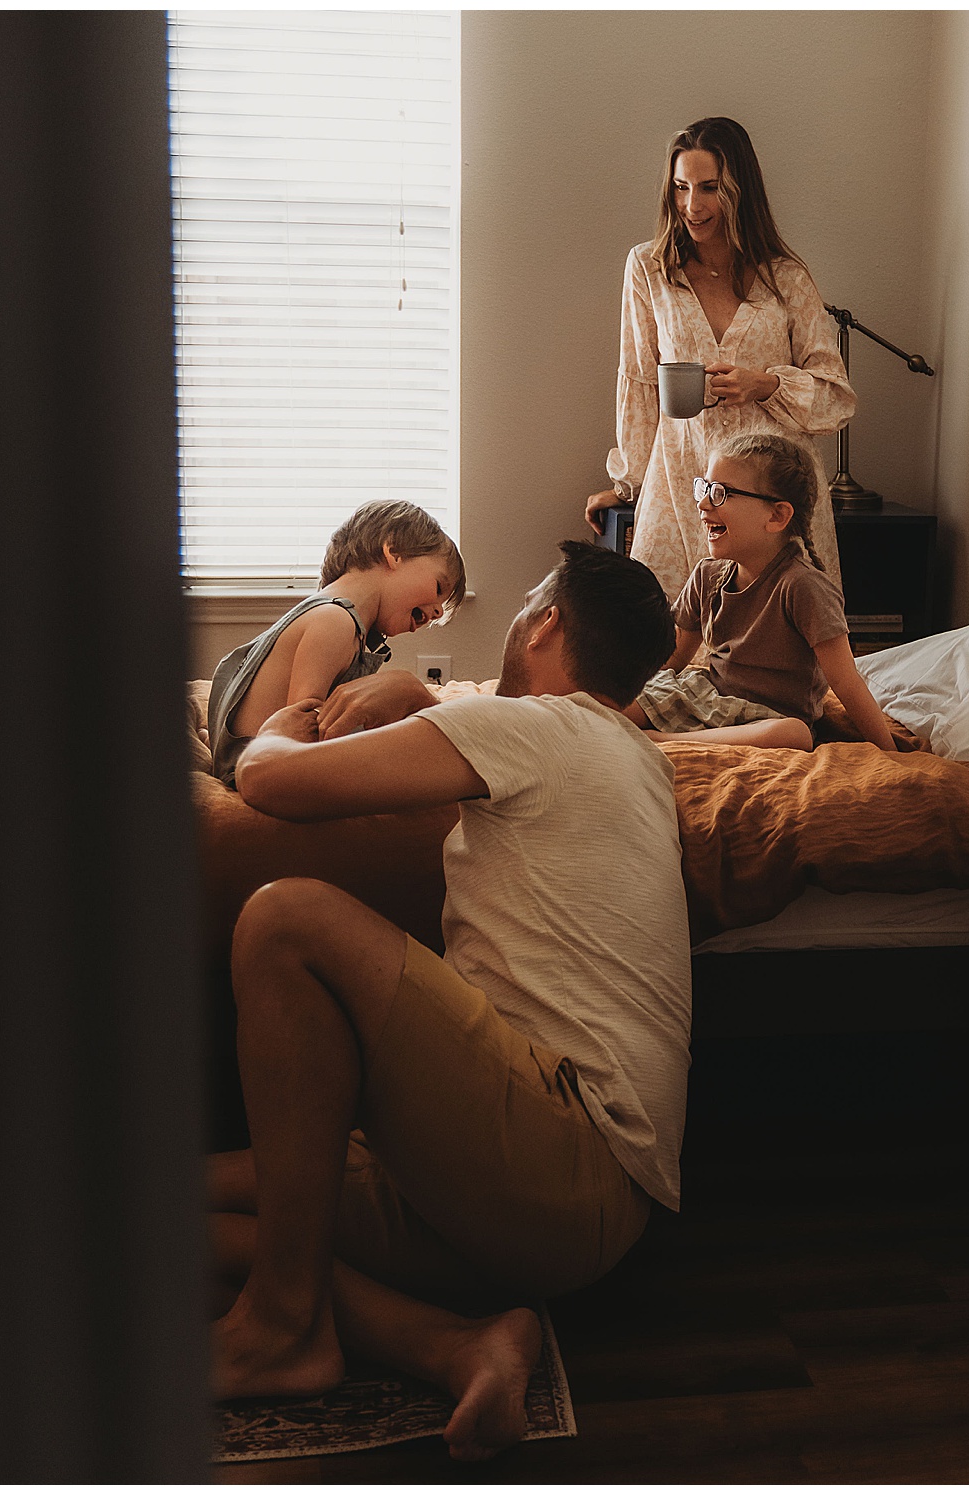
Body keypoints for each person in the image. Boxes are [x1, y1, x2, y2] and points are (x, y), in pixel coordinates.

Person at [209, 541, 690, 1462]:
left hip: (563, 1155)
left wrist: (293, 716)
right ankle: (457, 1345)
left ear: (547, 621)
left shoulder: (543, 728)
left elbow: (268, 781)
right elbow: (493, 745)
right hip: (568, 1199)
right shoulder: (634, 757)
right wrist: (422, 703)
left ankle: (280, 1327)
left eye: (524, 606)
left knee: (285, 920)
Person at [584, 116, 856, 603]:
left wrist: (766, 385)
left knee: (779, 646)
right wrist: (628, 486)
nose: (692, 205)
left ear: (739, 190)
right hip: (683, 486)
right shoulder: (650, 268)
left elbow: (835, 400)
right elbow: (641, 385)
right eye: (681, 187)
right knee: (664, 652)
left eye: (709, 188)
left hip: (771, 498)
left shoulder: (786, 278)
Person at [625, 433, 896, 753]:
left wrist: (890, 751)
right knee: (609, 702)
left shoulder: (804, 588)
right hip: (706, 698)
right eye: (705, 488)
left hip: (767, 719)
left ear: (777, 516)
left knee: (795, 735)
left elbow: (847, 683)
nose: (702, 503)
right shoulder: (707, 576)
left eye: (721, 493)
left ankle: (666, 740)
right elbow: (673, 660)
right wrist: (632, 693)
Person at [206, 500, 467, 786]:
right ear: (394, 553)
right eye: (439, 587)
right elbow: (304, 731)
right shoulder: (336, 620)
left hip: (254, 761)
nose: (438, 612)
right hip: (260, 771)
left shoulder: (329, 615)